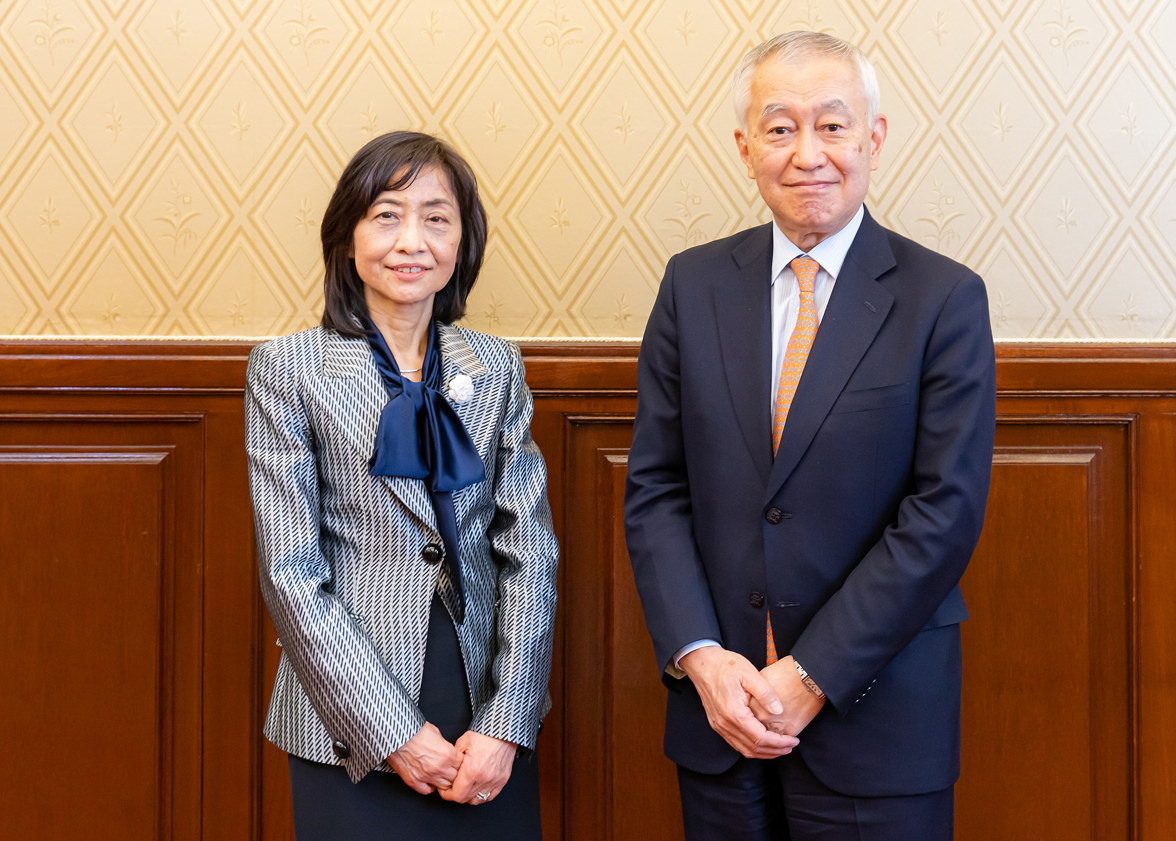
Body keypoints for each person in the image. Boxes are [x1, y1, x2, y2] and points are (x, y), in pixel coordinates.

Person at [624, 31, 997, 841]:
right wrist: (701, 657)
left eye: (832, 125)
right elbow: (656, 486)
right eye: (780, 126)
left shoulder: (944, 298)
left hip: (879, 719)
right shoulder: (692, 284)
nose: (808, 153)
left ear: (874, 136)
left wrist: (812, 672)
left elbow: (943, 514)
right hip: (719, 717)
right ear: (745, 145)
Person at [245, 131, 558, 840]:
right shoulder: (287, 370)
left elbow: (530, 552)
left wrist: (507, 720)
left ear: (462, 241)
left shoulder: (497, 366)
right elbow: (289, 572)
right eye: (386, 215)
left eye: (435, 218)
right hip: (350, 706)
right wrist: (393, 730)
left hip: (485, 692)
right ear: (347, 236)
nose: (411, 239)